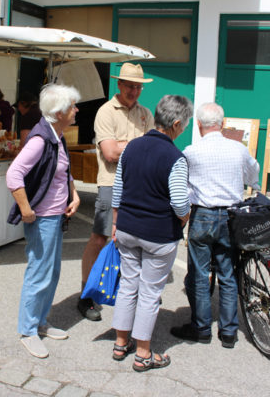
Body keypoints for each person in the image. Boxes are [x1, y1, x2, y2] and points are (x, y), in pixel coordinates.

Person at [111, 95, 192, 372]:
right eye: (184, 125)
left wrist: (115, 223)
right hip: (158, 234)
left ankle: (121, 342)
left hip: (127, 228)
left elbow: (118, 189)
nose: (184, 129)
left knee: (127, 285)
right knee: (149, 292)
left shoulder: (132, 146)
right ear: (177, 123)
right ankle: (143, 353)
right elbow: (180, 201)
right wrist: (186, 217)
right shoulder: (175, 157)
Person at [170, 102, 260, 349]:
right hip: (231, 217)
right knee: (228, 273)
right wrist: (253, 187)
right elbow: (254, 172)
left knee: (199, 274)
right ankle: (229, 332)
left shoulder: (190, 151)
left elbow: (183, 186)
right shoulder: (237, 149)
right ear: (222, 124)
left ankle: (201, 328)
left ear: (199, 125)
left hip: (203, 216)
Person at [6, 83, 81, 359]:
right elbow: (13, 175)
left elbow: (62, 170)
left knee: (52, 272)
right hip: (43, 218)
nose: (76, 110)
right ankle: (28, 330)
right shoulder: (40, 139)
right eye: (72, 106)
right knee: (40, 273)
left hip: (55, 215)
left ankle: (40, 322)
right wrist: (25, 209)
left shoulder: (56, 135)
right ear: (59, 112)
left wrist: (74, 195)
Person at [78, 63, 155, 321]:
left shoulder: (145, 113)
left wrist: (127, 145)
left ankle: (124, 292)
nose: (134, 90)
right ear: (119, 85)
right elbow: (110, 154)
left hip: (138, 184)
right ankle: (86, 295)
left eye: (138, 86)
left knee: (133, 241)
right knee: (100, 239)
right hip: (111, 183)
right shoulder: (106, 112)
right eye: (130, 85)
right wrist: (141, 144)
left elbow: (146, 149)